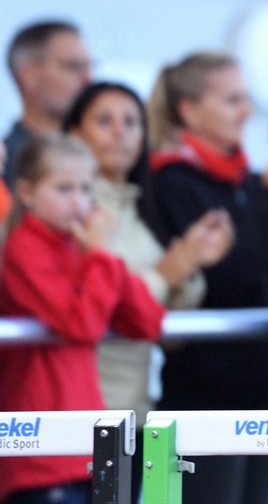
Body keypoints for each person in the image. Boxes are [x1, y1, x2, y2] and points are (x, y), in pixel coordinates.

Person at [143, 51, 268, 504]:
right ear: (189, 110)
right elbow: (233, 279)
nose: (247, 111)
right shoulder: (173, 182)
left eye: (246, 99)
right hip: (205, 396)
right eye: (232, 100)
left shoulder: (247, 181)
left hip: (265, 391)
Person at [62, 81, 234, 500]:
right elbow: (96, 307)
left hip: (137, 409)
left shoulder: (143, 207)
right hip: (82, 414)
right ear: (74, 134)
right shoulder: (68, 209)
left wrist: (189, 266)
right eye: (104, 120)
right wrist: (168, 272)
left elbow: (165, 328)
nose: (120, 132)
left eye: (132, 122)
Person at [0, 134, 164, 504]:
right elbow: (83, 324)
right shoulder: (24, 248)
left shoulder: (83, 247)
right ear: (26, 192)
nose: (79, 202)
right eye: (64, 189)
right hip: (41, 449)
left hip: (88, 444)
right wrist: (101, 256)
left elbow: (147, 321)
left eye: (86, 189)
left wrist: (104, 255)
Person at [4, 20, 92, 189]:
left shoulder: (103, 153)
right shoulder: (9, 163)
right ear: (29, 76)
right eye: (73, 67)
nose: (88, 79)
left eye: (89, 66)